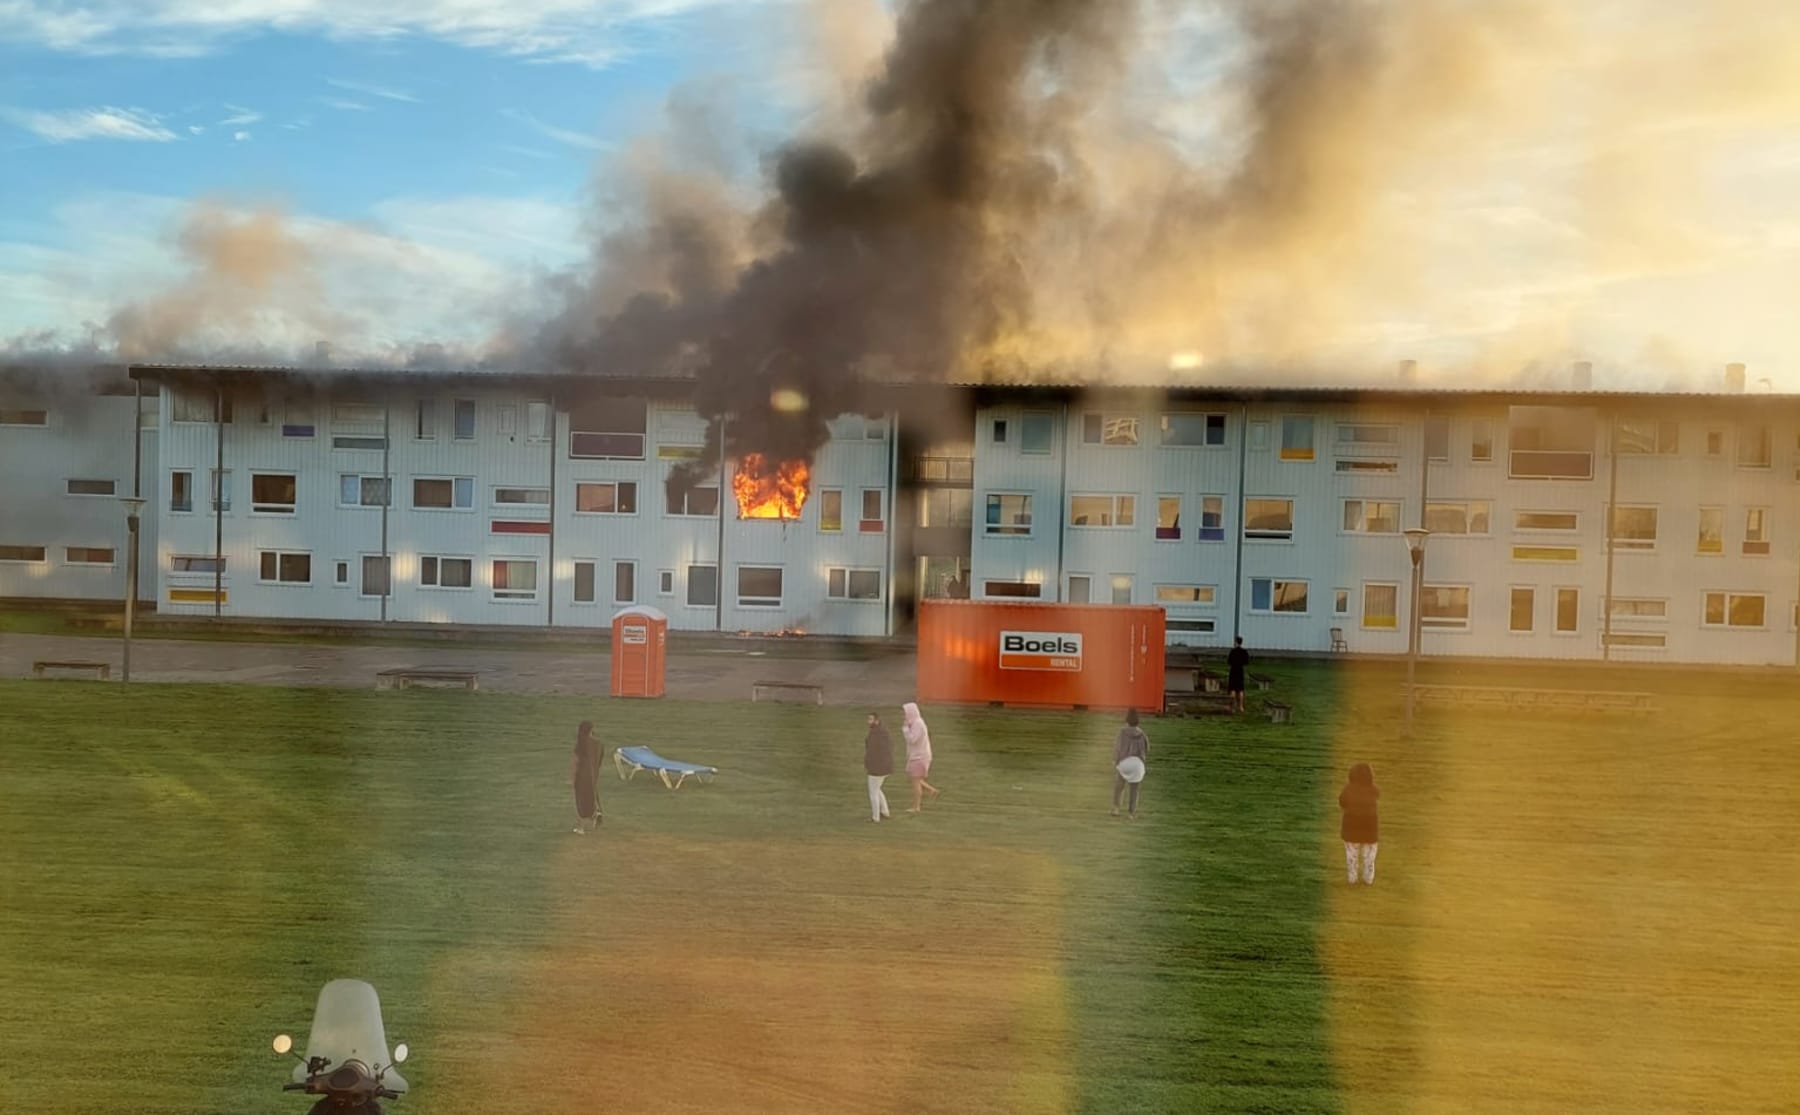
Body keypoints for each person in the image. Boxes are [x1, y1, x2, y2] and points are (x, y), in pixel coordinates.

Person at [1339, 763, 1380, 884]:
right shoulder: (1373, 789)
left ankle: (1352, 878)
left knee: (1352, 855)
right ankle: (1368, 879)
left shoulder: (1348, 789)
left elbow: (1342, 802)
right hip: (1370, 827)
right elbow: (1377, 796)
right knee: (1369, 856)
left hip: (1351, 826)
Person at [901, 702, 940, 814]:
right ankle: (932, 791)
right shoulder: (914, 723)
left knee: (915, 781)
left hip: (920, 756)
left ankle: (916, 807)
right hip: (917, 756)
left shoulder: (918, 724)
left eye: (905, 713)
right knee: (914, 778)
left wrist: (905, 729)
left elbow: (913, 739)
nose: (904, 715)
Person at [1112, 708, 1149, 819]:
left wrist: (1115, 760)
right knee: (1134, 789)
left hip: (1125, 762)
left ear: (1127, 719)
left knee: (1119, 786)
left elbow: (1117, 748)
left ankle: (1116, 808)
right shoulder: (1142, 734)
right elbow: (1147, 748)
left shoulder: (1122, 732)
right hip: (1138, 763)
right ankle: (1131, 813)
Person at [570, 721, 602, 834]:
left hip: (581, 777)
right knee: (591, 798)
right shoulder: (597, 744)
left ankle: (580, 827)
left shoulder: (580, 744)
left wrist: (572, 778)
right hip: (592, 776)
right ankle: (595, 814)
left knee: (580, 802)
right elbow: (598, 760)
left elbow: (575, 762)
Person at [863, 712, 894, 823]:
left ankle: (875, 817)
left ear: (877, 720)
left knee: (873, 792)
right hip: (886, 767)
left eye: (871, 719)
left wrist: (868, 764)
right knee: (877, 789)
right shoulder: (883, 732)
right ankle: (885, 811)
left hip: (876, 768)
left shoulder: (875, 734)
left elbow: (872, 752)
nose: (868, 721)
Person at [1226, 637, 1250, 713]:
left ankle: (1232, 707)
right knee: (1240, 689)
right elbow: (1246, 662)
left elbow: (1229, 662)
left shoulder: (1232, 651)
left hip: (1233, 671)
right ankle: (1241, 706)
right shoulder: (1244, 652)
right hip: (1240, 671)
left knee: (1232, 689)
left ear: (1236, 642)